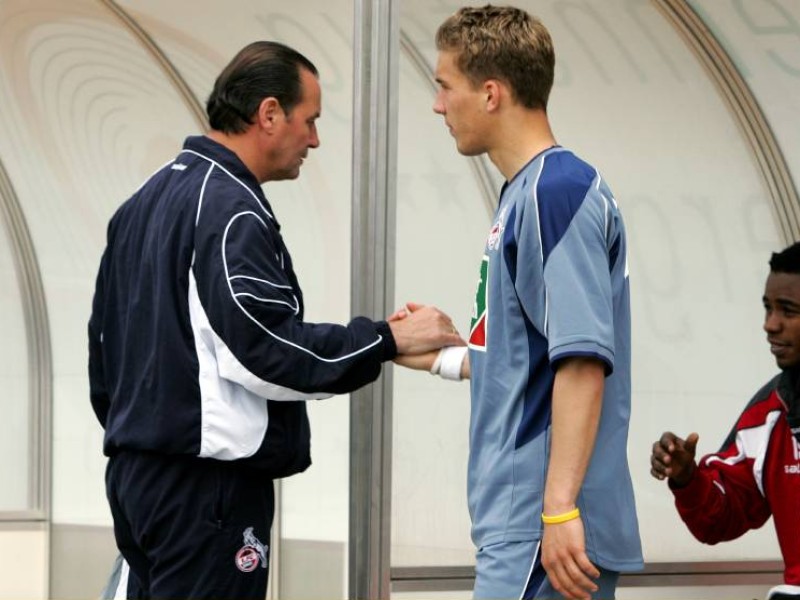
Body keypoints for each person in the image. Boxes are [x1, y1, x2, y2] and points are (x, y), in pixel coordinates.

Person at [88, 40, 463, 600]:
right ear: (268, 114)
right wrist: (386, 339)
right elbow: (262, 349)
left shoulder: (143, 199)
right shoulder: (229, 206)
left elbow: (102, 355)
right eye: (309, 120)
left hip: (135, 479)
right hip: (205, 492)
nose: (315, 139)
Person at [395, 5, 643, 599]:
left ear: (490, 93)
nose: (436, 105)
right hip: (527, 527)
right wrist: (439, 354)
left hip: (542, 529)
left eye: (444, 86)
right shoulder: (526, 193)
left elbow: (581, 361)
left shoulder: (554, 191)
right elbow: (527, 358)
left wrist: (557, 510)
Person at [650, 242, 800, 600]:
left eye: (788, 310)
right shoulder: (769, 415)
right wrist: (688, 478)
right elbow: (720, 518)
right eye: (768, 308)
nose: (770, 325)